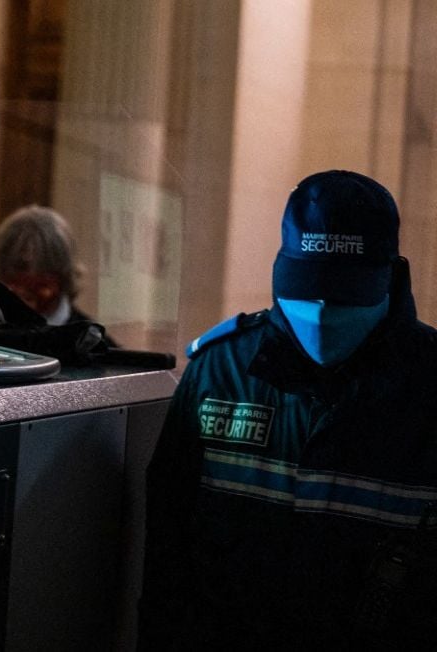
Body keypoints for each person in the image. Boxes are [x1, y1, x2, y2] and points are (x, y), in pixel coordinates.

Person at [139, 170, 437, 649]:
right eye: (306, 286)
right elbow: (168, 559)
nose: (320, 311)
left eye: (345, 294)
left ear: (390, 275)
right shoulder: (222, 374)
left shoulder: (427, 393)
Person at [0, 205, 91, 326]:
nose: (31, 278)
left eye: (45, 267)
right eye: (20, 266)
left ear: (64, 275)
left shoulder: (89, 339)